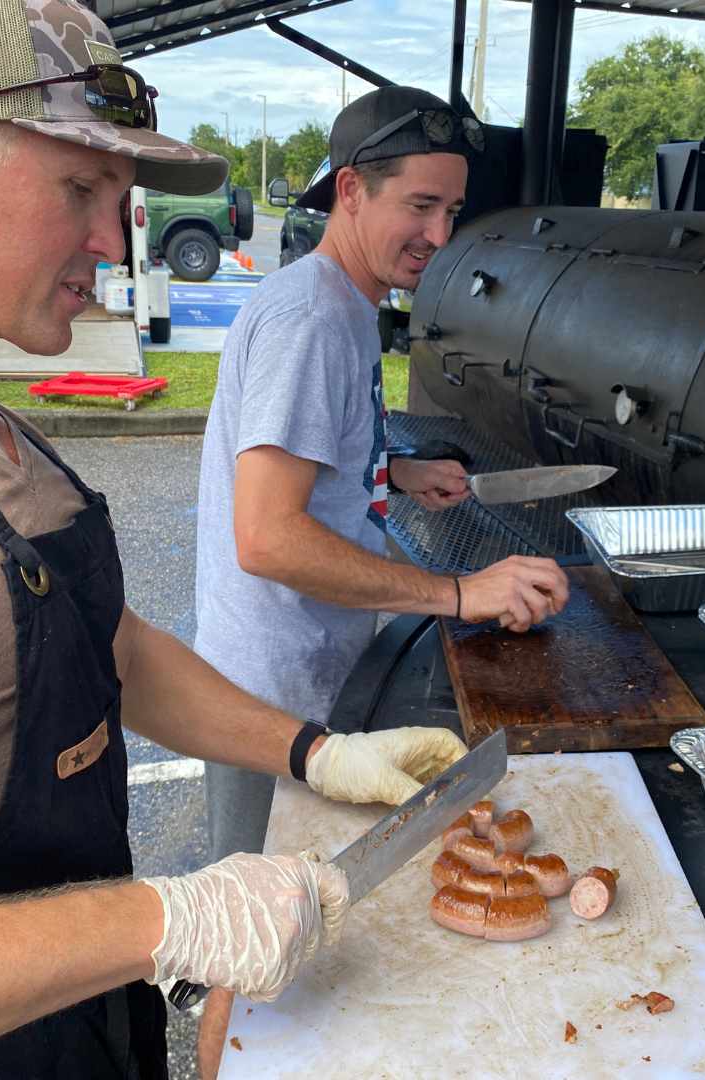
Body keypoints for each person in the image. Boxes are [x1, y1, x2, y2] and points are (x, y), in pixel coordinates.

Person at [0, 2, 468, 1076]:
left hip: (81, 1027)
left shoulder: (1, 435)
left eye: (123, 195)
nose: (113, 237)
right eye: (79, 187)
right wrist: (161, 923)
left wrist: (315, 751)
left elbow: (112, 650)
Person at [193, 84, 571, 1069]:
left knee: (287, 922)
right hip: (268, 697)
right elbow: (267, 538)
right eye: (421, 207)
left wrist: (390, 472)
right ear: (351, 191)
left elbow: (301, 467)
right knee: (249, 927)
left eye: (452, 210)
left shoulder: (344, 306)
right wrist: (460, 593)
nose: (439, 235)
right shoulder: (316, 318)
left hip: (308, 672)